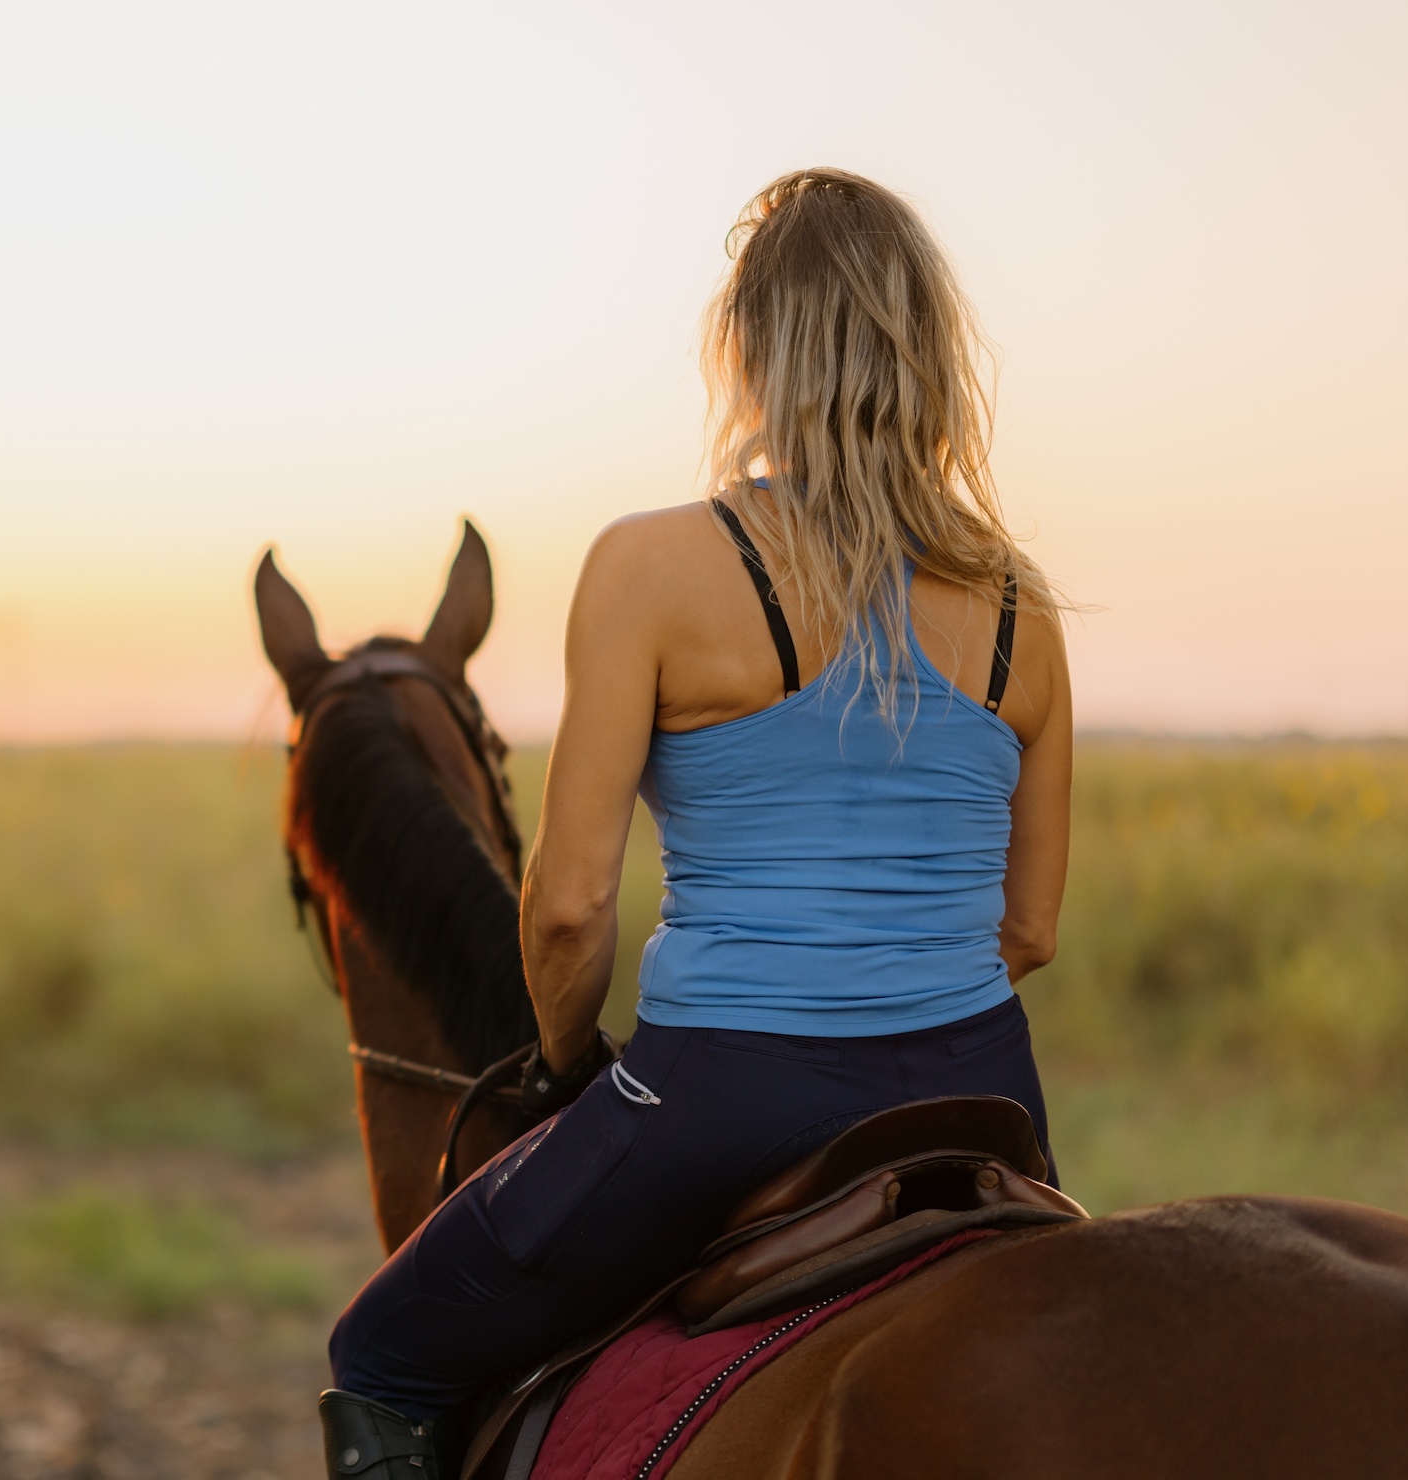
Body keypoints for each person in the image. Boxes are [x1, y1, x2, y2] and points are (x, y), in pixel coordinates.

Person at [317, 168, 1073, 1478]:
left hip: (725, 1095)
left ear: (749, 348)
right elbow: (1034, 929)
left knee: (382, 1352)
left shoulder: (654, 567)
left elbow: (567, 909)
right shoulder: (1021, 605)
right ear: (933, 354)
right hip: (987, 1095)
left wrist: (565, 1060)